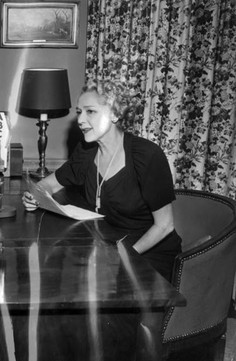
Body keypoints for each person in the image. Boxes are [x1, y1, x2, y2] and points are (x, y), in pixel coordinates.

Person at [22, 79, 181, 360]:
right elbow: (46, 186)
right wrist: (34, 197)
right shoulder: (86, 153)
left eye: (90, 112)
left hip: (148, 253)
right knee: (55, 292)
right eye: (79, 112)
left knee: (104, 315)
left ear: (116, 113)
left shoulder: (146, 155)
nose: (81, 120)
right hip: (107, 246)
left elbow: (165, 225)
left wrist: (123, 257)